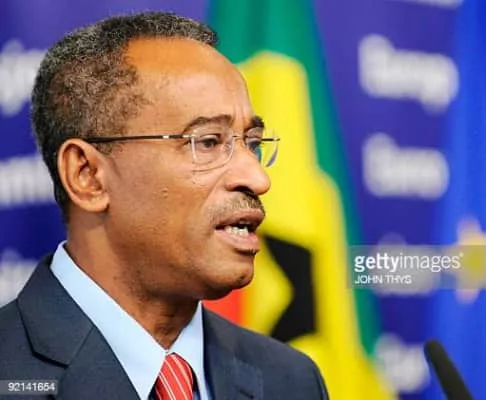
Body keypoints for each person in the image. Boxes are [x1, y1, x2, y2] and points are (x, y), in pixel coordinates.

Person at [0, 11, 328, 400]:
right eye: (208, 142)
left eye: (252, 143)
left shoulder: (290, 379)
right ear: (87, 175)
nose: (258, 179)